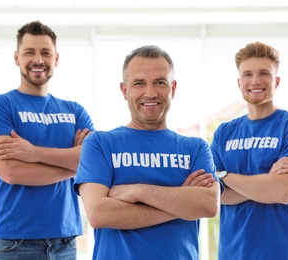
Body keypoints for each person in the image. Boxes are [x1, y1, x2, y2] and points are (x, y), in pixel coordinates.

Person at [73, 45, 223, 260]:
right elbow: (98, 213)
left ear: (173, 88)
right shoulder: (100, 144)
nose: (150, 92)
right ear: (125, 90)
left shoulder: (196, 147)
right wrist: (182, 205)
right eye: (139, 83)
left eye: (160, 82)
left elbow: (208, 204)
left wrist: (138, 192)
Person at [0, 20, 95, 260]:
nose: (38, 59)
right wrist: (74, 166)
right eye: (29, 52)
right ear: (16, 57)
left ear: (56, 59)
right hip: (13, 242)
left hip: (65, 240)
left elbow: (94, 161)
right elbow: (11, 172)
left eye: (45, 53)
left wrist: (34, 153)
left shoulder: (75, 111)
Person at [210, 41, 288, 260]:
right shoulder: (224, 133)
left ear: (276, 81)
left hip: (283, 253)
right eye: (247, 74)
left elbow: (283, 192)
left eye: (264, 73)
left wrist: (224, 175)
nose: (255, 81)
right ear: (239, 83)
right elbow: (214, 195)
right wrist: (267, 182)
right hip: (233, 253)